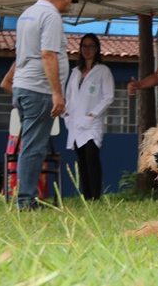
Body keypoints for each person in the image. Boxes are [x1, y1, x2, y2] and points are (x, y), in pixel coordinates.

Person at [11, 0, 75, 210]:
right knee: (33, 147)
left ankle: (25, 197)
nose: (70, 3)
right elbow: (48, 54)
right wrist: (57, 93)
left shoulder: (28, 13)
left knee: (30, 144)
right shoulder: (51, 16)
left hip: (24, 85)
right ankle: (25, 201)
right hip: (38, 89)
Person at [63, 33, 115, 201]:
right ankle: (87, 196)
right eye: (84, 46)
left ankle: (95, 196)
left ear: (97, 49)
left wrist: (92, 114)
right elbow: (69, 95)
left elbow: (108, 96)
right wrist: (66, 114)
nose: (87, 49)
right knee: (81, 160)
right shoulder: (76, 71)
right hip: (75, 122)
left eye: (91, 46)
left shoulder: (103, 71)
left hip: (92, 124)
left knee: (92, 157)